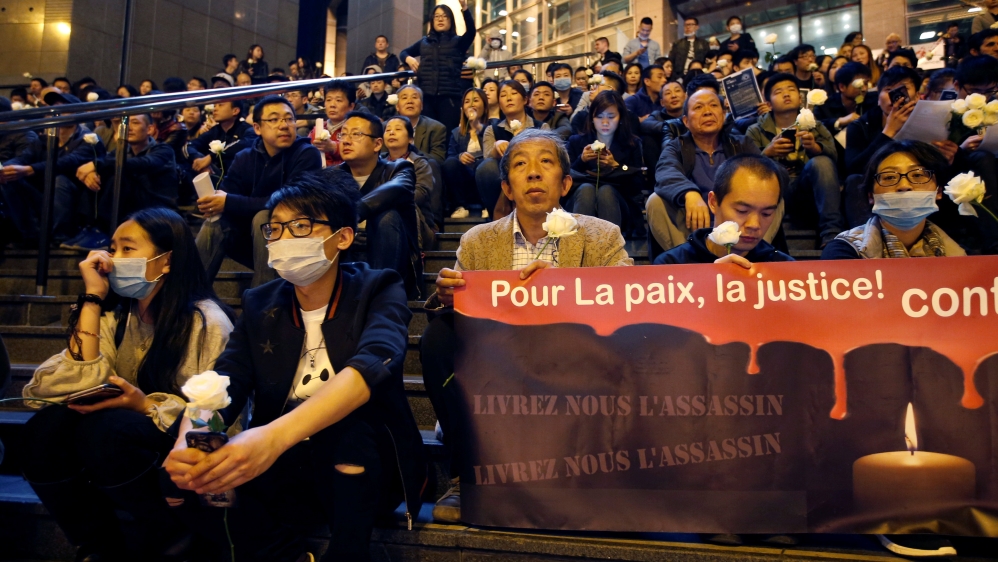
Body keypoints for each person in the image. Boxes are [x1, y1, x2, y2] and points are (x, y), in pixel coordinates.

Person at [165, 176, 425, 561]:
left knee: (345, 430)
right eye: (276, 228)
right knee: (178, 469)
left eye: (301, 226)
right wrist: (190, 437)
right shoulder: (259, 302)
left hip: (365, 465)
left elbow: (371, 366)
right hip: (284, 465)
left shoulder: (379, 287)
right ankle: (281, 553)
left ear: (343, 237)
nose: (285, 237)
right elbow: (224, 380)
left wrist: (272, 437)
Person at [422, 128, 632, 523]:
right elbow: (460, 305)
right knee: (437, 336)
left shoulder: (603, 236)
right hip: (499, 361)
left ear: (566, 183)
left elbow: (627, 304)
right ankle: (465, 476)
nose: (533, 173)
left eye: (545, 163)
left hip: (575, 359)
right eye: (520, 165)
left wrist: (561, 288)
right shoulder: (478, 241)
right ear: (507, 186)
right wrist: (448, 296)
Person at [23, 207, 234, 561]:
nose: (110, 259)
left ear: (166, 261)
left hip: (184, 444)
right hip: (124, 436)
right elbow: (73, 377)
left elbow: (216, 418)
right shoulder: (119, 316)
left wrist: (143, 405)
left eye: (127, 249)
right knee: (44, 429)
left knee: (106, 428)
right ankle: (96, 545)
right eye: (112, 247)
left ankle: (176, 533)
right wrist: (93, 298)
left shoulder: (206, 321)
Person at [195, 95, 323, 287]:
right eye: (274, 120)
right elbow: (227, 194)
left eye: (289, 119)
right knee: (216, 222)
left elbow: (290, 200)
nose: (284, 125)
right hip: (250, 241)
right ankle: (188, 297)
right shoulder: (245, 157)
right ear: (257, 128)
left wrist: (229, 202)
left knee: (264, 218)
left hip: (295, 238)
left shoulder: (306, 154)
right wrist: (214, 204)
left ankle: (264, 304)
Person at [647, 89, 768, 258]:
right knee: (655, 201)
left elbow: (767, 175)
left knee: (775, 201)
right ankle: (688, 261)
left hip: (740, 223)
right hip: (693, 227)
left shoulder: (740, 144)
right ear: (686, 121)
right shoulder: (677, 147)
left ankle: (754, 255)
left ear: (724, 113)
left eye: (713, 105)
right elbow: (665, 172)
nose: (708, 112)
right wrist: (689, 193)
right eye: (698, 107)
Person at [332, 112, 423, 298]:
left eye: (356, 134)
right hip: (346, 257)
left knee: (386, 216)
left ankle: (380, 299)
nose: (346, 141)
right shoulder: (332, 176)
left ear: (377, 144)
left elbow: (399, 187)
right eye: (343, 134)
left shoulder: (398, 168)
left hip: (392, 262)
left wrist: (351, 214)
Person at [823, 140, 964, 259]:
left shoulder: (959, 257)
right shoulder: (843, 252)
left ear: (938, 191)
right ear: (871, 196)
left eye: (917, 175)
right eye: (889, 177)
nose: (904, 186)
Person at [746, 74, 843, 245]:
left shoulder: (816, 126)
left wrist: (815, 148)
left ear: (800, 98)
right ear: (768, 104)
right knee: (775, 168)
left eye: (791, 90)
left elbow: (834, 158)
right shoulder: (755, 130)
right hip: (774, 194)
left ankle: (832, 234)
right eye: (778, 91)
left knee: (822, 162)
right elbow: (744, 168)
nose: (786, 94)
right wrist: (767, 153)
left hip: (806, 191)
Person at [655, 154, 792, 265]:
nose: (754, 225)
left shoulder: (784, 268)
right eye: (742, 211)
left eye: (766, 213)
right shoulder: (671, 265)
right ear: (713, 202)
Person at [74, 114, 179, 241]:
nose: (128, 128)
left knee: (119, 177)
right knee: (96, 178)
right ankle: (90, 227)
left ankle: (103, 232)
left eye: (135, 123)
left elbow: (143, 164)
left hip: (157, 205)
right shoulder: (122, 150)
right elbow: (108, 162)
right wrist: (93, 173)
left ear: (150, 129)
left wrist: (97, 165)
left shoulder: (163, 149)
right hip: (132, 203)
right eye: (126, 124)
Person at [565, 91, 644, 227]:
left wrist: (617, 166)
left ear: (620, 118)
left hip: (620, 202)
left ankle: (608, 245)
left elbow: (638, 184)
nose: (605, 122)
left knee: (606, 191)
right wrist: (581, 160)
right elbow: (565, 178)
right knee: (586, 189)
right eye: (599, 117)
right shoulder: (576, 142)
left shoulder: (631, 144)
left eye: (611, 117)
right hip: (581, 198)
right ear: (591, 118)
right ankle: (578, 244)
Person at [475, 80, 551, 215]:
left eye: (514, 93)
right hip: (502, 178)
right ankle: (497, 216)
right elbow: (486, 158)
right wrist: (496, 148)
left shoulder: (541, 127)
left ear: (525, 100)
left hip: (532, 172)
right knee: (487, 167)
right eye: (503, 95)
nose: (509, 98)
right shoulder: (492, 130)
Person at [399, 0, 476, 132]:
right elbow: (403, 53)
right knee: (428, 136)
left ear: (451, 20)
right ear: (432, 20)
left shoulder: (458, 42)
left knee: (447, 136)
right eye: (437, 16)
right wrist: (408, 59)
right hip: (427, 98)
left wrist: (464, 8)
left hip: (450, 98)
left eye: (445, 16)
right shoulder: (424, 42)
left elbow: (471, 32)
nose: (440, 19)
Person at [383, 115, 441, 242]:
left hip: (419, 224)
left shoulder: (420, 163)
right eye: (387, 130)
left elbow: (421, 193)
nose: (391, 132)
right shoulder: (379, 162)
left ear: (410, 139)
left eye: (398, 129)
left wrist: (386, 202)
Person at [184, 100, 257, 185]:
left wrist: (211, 157)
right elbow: (189, 146)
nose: (215, 109)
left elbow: (243, 144)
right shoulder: (215, 131)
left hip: (241, 182)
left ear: (235, 111)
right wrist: (198, 160)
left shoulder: (247, 129)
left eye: (220, 105)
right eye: (215, 106)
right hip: (215, 178)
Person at [444, 88, 490, 219]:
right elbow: (450, 156)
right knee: (451, 163)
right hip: (465, 180)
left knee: (485, 164)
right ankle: (460, 207)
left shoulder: (492, 127)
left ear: (485, 107)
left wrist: (477, 125)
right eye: (467, 102)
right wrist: (459, 157)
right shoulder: (457, 133)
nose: (471, 105)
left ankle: (488, 205)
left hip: (484, 178)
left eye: (476, 100)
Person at [394, 84, 448, 165]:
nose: (410, 101)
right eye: (404, 98)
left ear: (422, 105)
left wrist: (411, 153)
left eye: (414, 97)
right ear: (397, 106)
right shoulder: (386, 128)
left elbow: (438, 160)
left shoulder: (436, 128)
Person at [814, 62, 872, 135]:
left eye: (866, 83)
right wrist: (839, 121)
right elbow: (817, 126)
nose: (864, 89)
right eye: (859, 84)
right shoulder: (825, 106)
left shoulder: (873, 101)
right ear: (842, 87)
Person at [308, 80, 356, 168]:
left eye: (338, 100)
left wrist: (334, 147)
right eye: (328, 100)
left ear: (351, 106)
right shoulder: (318, 127)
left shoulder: (355, 128)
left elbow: (359, 154)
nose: (332, 105)